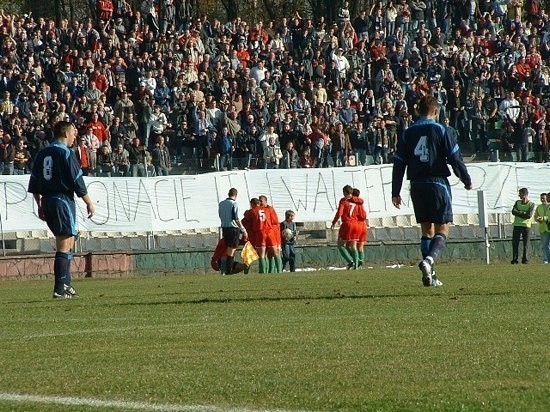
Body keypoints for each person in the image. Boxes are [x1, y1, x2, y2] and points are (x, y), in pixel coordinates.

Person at [392, 95, 472, 287]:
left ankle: (431, 275)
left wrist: (395, 191)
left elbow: (399, 163)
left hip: (417, 185)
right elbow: (454, 158)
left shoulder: (407, 133)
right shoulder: (441, 129)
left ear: (418, 111)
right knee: (443, 227)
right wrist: (466, 179)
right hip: (437, 182)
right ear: (436, 111)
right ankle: (428, 261)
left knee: (426, 229)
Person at [27, 121, 95, 299]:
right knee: (64, 242)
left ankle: (66, 284)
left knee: (69, 240)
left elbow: (34, 182)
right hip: (61, 199)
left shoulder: (42, 153)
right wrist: (89, 202)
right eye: (73, 132)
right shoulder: (66, 153)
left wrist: (40, 204)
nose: (75, 136)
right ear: (65, 133)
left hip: (48, 200)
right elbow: (76, 179)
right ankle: (59, 287)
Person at [331, 184, 364, 269]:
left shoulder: (343, 200)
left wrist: (334, 222)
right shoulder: (357, 201)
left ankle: (351, 261)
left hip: (347, 224)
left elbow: (339, 213)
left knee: (340, 245)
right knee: (353, 245)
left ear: (345, 192)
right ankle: (356, 266)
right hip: (356, 224)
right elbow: (361, 201)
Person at [218, 188, 247, 276]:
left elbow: (220, 215)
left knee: (227, 249)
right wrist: (243, 229)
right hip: (233, 228)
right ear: (236, 195)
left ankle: (225, 269)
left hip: (224, 228)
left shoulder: (221, 204)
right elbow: (236, 218)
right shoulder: (234, 204)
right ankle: (229, 270)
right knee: (232, 250)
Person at [511, 187, 535, 264]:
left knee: (526, 243)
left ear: (525, 195)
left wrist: (519, 212)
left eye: (520, 194)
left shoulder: (531, 204)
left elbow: (529, 215)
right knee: (515, 242)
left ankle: (525, 259)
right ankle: (515, 259)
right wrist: (523, 213)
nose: (519, 195)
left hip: (526, 226)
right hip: (517, 225)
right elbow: (513, 211)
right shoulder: (517, 202)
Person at [352, 188, 368, 268]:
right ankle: (361, 264)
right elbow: (364, 216)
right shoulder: (361, 204)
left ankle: (356, 263)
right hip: (363, 226)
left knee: (353, 245)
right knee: (361, 247)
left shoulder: (352, 204)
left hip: (356, 225)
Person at [534, 193, 550, 264]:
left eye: (543, 198)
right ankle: (546, 259)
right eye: (541, 198)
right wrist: (537, 219)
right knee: (544, 245)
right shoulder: (539, 207)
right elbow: (535, 216)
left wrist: (544, 218)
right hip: (543, 229)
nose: (542, 199)